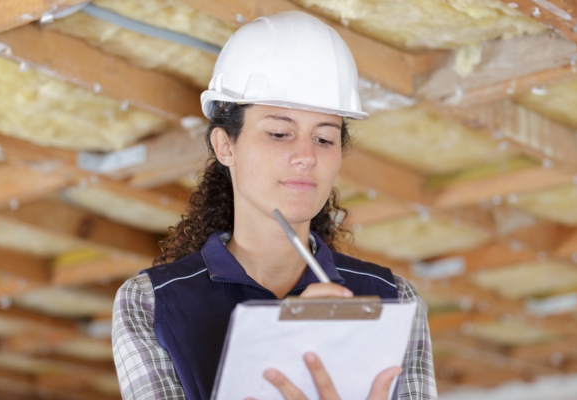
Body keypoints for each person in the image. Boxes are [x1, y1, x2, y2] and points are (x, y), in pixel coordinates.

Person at [112, 11, 437, 400]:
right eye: (280, 133)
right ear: (225, 146)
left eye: (324, 139)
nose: (306, 156)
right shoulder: (151, 303)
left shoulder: (393, 300)